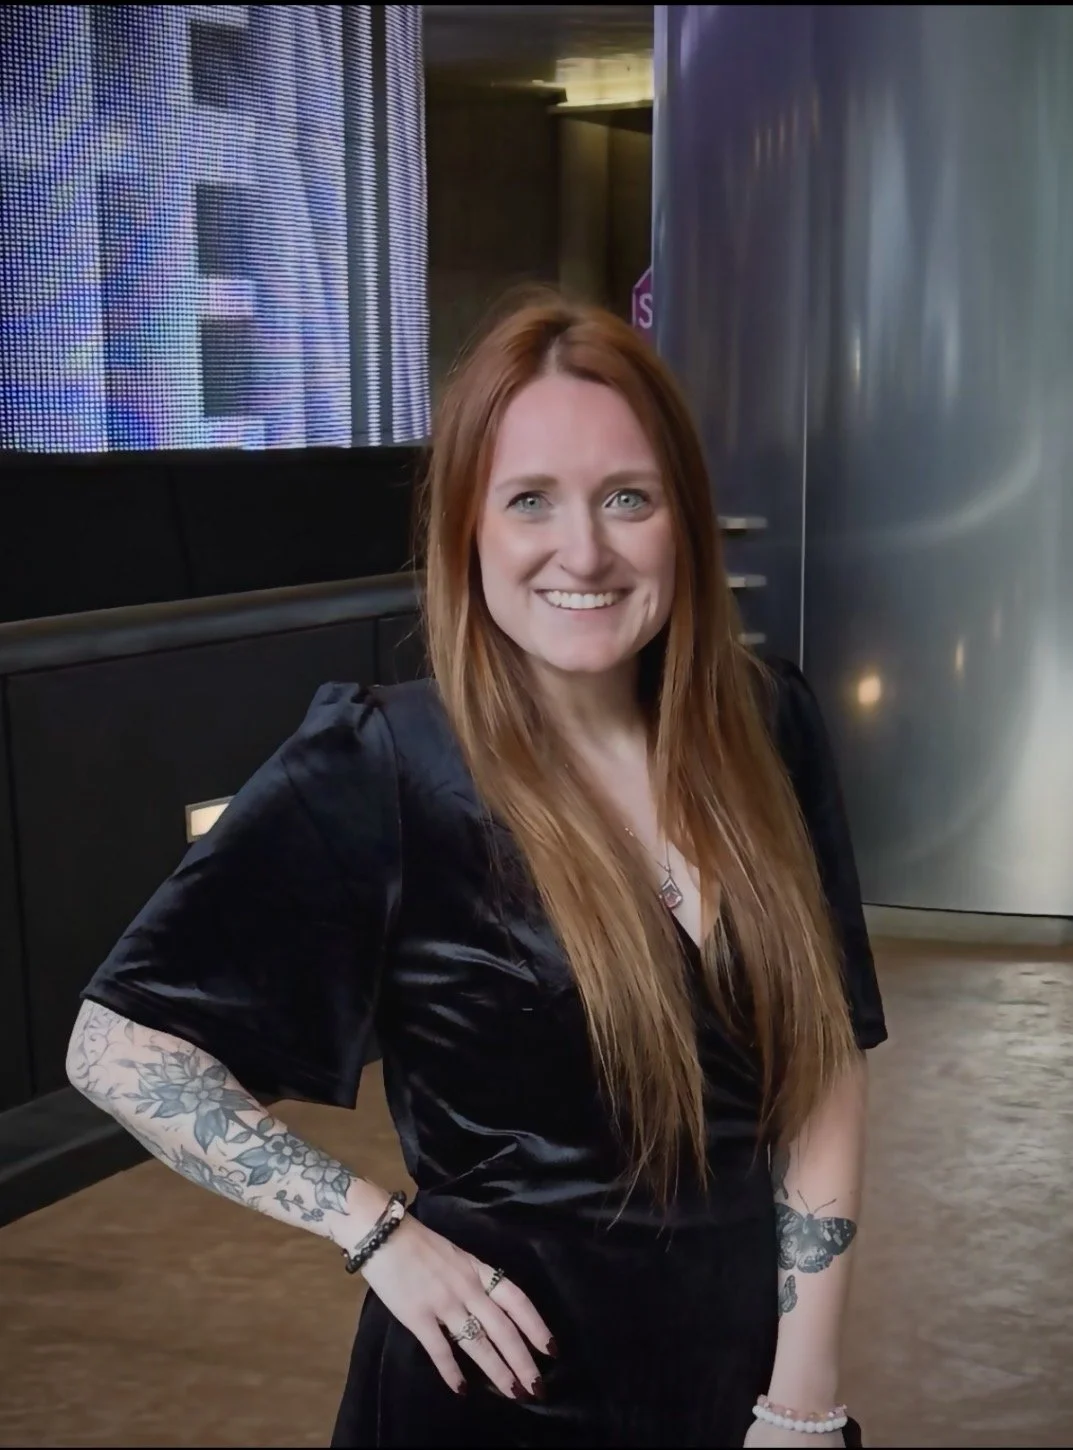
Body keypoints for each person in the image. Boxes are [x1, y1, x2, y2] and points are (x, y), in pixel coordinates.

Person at [67, 292, 886, 1449]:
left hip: (746, 1384)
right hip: (492, 1395)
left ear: (683, 521)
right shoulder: (386, 761)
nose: (583, 550)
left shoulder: (767, 723)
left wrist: (801, 1396)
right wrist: (375, 1231)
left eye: (627, 497)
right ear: (468, 529)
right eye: (529, 500)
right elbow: (115, 1043)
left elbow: (822, 1060)